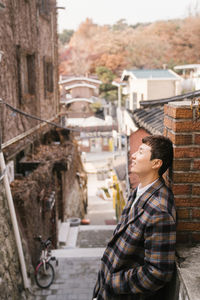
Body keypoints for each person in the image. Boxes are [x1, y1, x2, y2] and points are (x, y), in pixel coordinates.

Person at [93, 135, 176, 300]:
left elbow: (158, 273)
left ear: (156, 163)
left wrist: (113, 281)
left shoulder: (159, 211)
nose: (133, 155)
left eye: (141, 151)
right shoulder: (138, 190)